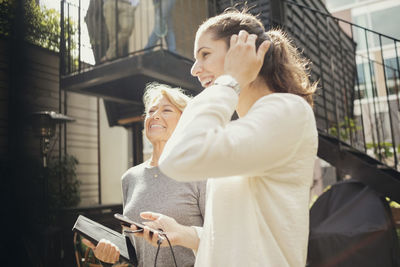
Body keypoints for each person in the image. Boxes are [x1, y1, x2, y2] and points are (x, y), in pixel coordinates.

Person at [130, 9, 319, 267]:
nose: (195, 70)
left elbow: (179, 158)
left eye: (205, 54)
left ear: (241, 53)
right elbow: (240, 233)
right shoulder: (250, 126)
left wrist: (231, 80)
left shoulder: (288, 112)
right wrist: (187, 234)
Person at [83, 83, 206, 267]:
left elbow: (218, 238)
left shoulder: (200, 172)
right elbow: (134, 251)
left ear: (185, 120)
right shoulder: (130, 178)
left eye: (166, 110)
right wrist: (111, 256)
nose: (155, 115)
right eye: (151, 111)